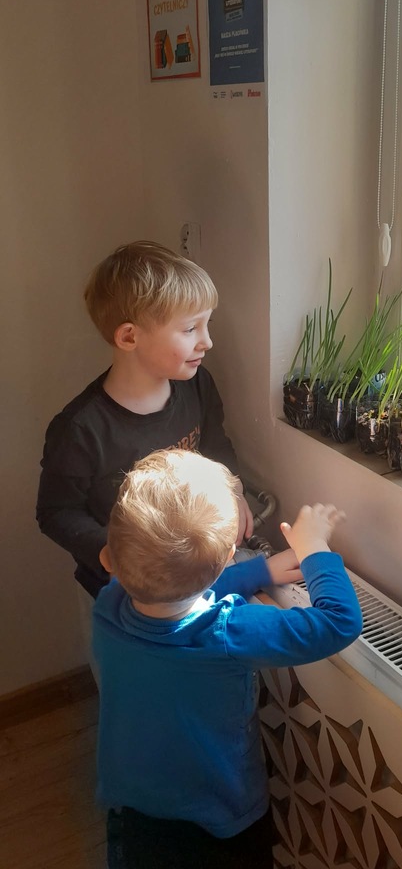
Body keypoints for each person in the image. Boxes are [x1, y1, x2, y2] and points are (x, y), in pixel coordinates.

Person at [94, 448, 363, 869]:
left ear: (108, 559)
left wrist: (259, 572)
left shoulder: (108, 607)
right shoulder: (228, 633)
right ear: (223, 563)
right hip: (220, 823)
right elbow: (338, 622)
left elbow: (172, 590)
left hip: (136, 818)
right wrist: (313, 547)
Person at [36, 240, 261, 601]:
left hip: (194, 576)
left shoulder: (197, 385)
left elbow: (215, 445)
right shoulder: (81, 429)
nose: (207, 342)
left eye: (207, 324)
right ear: (129, 337)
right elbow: (56, 512)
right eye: (190, 329)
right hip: (120, 593)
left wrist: (233, 489)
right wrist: (111, 554)